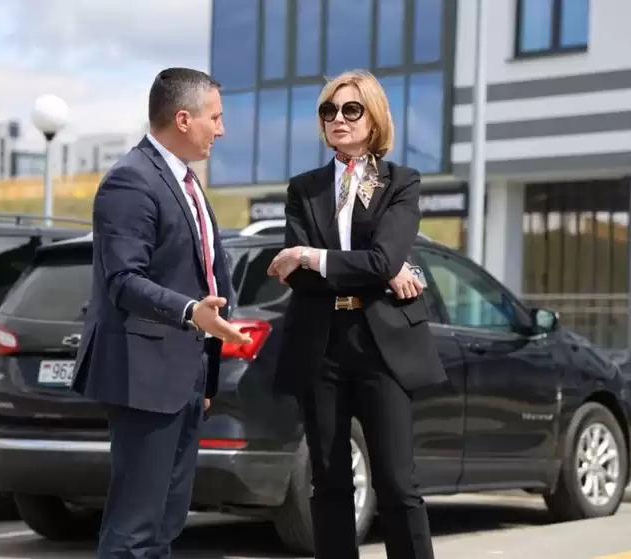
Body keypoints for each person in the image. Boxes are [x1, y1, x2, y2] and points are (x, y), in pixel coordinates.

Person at [70, 67, 252, 559]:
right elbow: (122, 281)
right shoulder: (131, 181)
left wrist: (205, 375)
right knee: (135, 529)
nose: (222, 130)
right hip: (145, 378)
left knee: (164, 526)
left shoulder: (185, 181)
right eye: (215, 118)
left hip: (185, 378)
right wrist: (191, 312)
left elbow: (202, 270)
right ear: (184, 119)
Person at [266, 70, 448, 559]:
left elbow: (382, 259)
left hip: (381, 344)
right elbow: (300, 279)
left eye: (351, 109)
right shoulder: (303, 189)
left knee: (396, 482)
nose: (338, 119)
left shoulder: (401, 183)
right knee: (328, 479)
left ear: (374, 117)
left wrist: (311, 255)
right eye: (329, 111)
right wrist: (373, 268)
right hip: (320, 343)